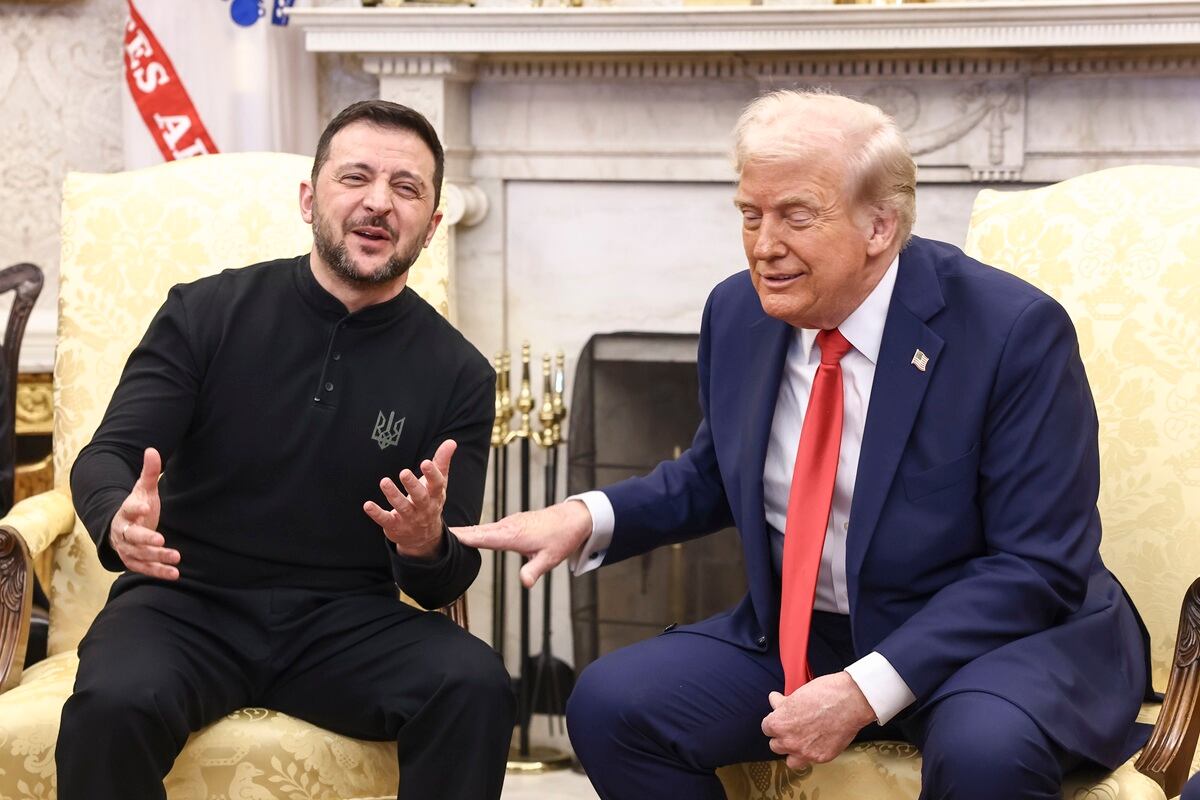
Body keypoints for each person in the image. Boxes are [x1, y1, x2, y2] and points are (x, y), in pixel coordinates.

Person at [454, 89, 1152, 800]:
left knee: (986, 755)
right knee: (612, 706)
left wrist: (860, 691)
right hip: (812, 631)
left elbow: (1034, 566)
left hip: (997, 639)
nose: (763, 246)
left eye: (795, 216)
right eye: (750, 216)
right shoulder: (739, 313)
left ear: (879, 226)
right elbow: (714, 477)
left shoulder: (1012, 332)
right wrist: (587, 517)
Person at [58, 100, 514, 800]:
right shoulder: (205, 313)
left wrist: (425, 546)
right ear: (310, 198)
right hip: (186, 602)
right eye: (355, 177)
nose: (378, 202)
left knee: (475, 685)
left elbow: (444, 580)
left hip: (346, 620)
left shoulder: (459, 374)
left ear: (433, 222)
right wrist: (116, 515)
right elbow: (108, 454)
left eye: (406, 188)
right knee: (112, 703)